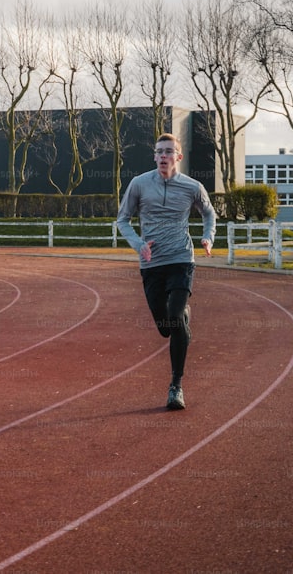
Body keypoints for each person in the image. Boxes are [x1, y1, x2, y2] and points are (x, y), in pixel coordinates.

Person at [116, 133, 216, 410]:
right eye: (159, 151)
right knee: (166, 328)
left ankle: (176, 386)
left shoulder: (192, 186)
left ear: (178, 157)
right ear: (154, 156)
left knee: (174, 320)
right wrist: (138, 245)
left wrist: (208, 237)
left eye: (169, 151)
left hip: (182, 258)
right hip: (151, 263)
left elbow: (209, 213)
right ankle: (182, 315)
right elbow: (122, 220)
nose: (163, 156)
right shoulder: (139, 184)